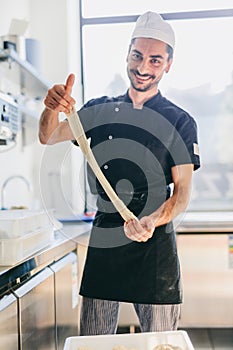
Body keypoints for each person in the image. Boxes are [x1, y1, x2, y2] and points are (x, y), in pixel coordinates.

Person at [39, 11, 200, 335]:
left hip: (155, 240)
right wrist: (50, 107)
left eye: (155, 60)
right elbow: (49, 135)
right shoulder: (98, 110)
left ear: (168, 64)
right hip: (106, 235)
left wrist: (152, 221)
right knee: (94, 340)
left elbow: (181, 194)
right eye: (137, 56)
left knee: (161, 342)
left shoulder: (180, 121)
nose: (143, 67)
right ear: (127, 54)